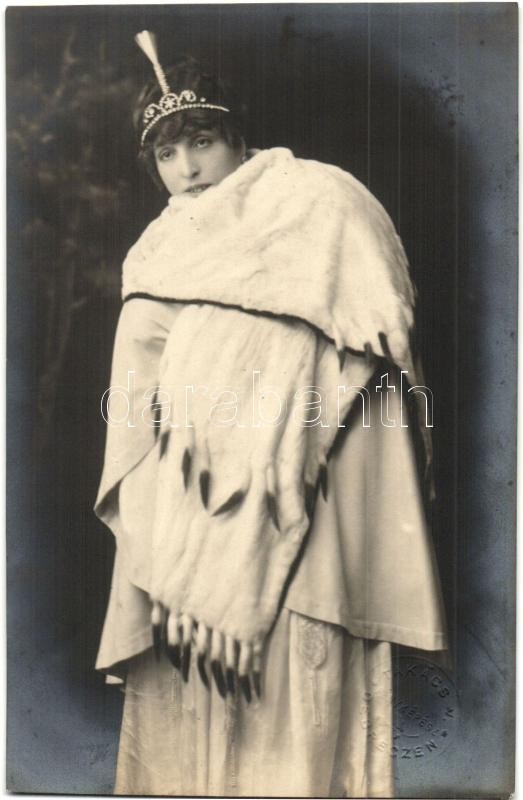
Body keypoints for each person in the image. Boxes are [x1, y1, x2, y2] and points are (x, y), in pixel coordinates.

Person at [95, 31, 448, 798]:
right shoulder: (157, 251)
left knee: (292, 696)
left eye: (202, 142)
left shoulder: (317, 203)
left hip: (306, 490)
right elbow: (137, 392)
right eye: (166, 155)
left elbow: (377, 330)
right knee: (197, 694)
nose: (187, 169)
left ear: (236, 137)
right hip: (191, 503)